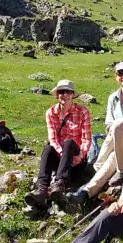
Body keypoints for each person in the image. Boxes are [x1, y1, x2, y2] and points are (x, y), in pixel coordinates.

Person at [66, 62, 123, 205]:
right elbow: (108, 124)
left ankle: (96, 168)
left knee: (118, 126)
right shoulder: (113, 98)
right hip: (119, 143)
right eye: (120, 73)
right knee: (113, 156)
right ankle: (85, 193)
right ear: (116, 77)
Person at [24, 79, 91, 209]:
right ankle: (42, 188)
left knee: (69, 142)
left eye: (68, 92)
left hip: (76, 160)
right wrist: (61, 154)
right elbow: (52, 138)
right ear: (57, 94)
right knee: (48, 147)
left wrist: (81, 156)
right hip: (61, 159)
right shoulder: (51, 113)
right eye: (61, 92)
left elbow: (87, 139)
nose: (64, 95)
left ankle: (60, 184)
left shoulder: (82, 111)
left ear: (72, 95)